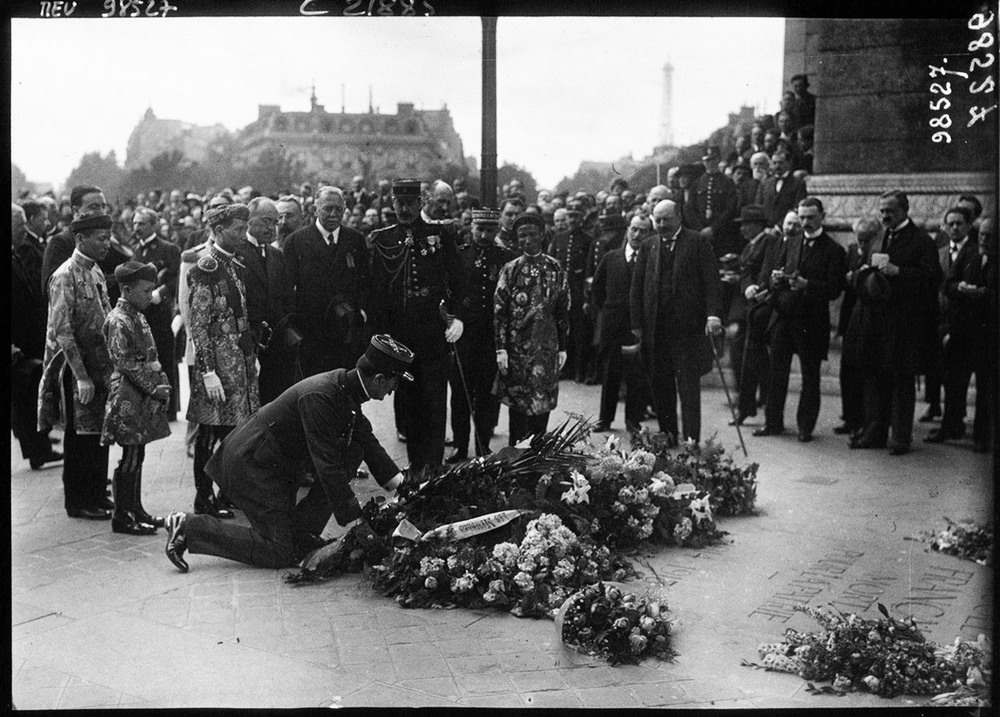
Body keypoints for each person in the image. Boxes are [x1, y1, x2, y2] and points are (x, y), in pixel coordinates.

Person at [164, 335, 411, 572]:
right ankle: (188, 527)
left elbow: (368, 443)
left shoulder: (344, 389)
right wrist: (357, 520)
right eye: (395, 382)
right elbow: (327, 465)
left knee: (353, 451)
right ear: (379, 379)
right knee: (277, 551)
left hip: (270, 464)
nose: (393, 390)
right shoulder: (323, 396)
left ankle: (301, 535)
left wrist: (404, 487)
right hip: (250, 464)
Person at [369, 178, 465, 471]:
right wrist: (381, 336)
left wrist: (457, 316)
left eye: (411, 203)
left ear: (421, 203)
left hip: (433, 336)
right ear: (392, 204)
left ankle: (433, 465)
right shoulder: (382, 239)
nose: (405, 209)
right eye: (399, 203)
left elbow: (458, 279)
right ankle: (414, 463)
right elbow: (376, 293)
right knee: (409, 399)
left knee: (435, 400)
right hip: (401, 339)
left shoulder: (440, 234)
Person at [844, 190, 940, 455]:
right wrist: (863, 272)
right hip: (875, 320)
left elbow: (933, 278)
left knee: (900, 381)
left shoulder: (921, 241)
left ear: (905, 209)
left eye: (891, 211)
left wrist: (901, 273)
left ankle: (900, 437)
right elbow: (865, 264)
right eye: (883, 211)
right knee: (873, 377)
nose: (885, 215)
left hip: (903, 324)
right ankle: (874, 433)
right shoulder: (879, 237)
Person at [37, 214, 115, 520]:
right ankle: (78, 500)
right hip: (75, 367)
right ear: (80, 239)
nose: (106, 244)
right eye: (100, 238)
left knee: (100, 431)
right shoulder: (64, 275)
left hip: (100, 365)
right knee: (79, 434)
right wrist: (81, 377)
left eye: (108, 238)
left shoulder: (95, 270)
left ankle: (97, 493)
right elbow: (63, 331)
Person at [186, 203, 260, 516]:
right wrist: (207, 372)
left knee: (234, 433)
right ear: (219, 231)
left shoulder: (232, 264)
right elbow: (199, 326)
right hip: (218, 364)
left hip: (239, 359)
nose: (244, 235)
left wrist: (250, 355)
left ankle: (227, 493)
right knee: (210, 431)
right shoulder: (206, 268)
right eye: (238, 229)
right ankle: (204, 498)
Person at [751, 201, 846, 441]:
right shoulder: (790, 242)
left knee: (810, 375)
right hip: (784, 316)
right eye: (802, 217)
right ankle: (773, 422)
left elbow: (835, 289)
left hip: (812, 320)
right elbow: (776, 273)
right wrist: (777, 278)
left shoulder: (833, 249)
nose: (805, 223)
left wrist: (808, 285)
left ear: (822, 216)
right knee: (777, 372)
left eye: (811, 217)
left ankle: (805, 427)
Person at [630, 200, 723, 445]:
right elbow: (637, 286)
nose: (661, 225)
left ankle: (692, 439)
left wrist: (712, 315)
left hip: (687, 331)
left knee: (688, 388)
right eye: (657, 220)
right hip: (656, 329)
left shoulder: (697, 242)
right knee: (661, 386)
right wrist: (637, 323)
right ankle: (668, 435)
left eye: (666, 219)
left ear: (679, 217)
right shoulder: (649, 245)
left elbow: (712, 282)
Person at [100, 261, 172, 535]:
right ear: (127, 290)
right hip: (128, 393)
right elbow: (125, 361)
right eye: (145, 290)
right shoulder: (119, 320)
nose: (149, 295)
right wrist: (154, 388)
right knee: (130, 455)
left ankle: (136, 509)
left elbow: (151, 355)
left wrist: (161, 381)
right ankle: (122, 516)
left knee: (138, 452)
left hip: (140, 392)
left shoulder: (137, 315)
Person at [494, 212, 570, 445]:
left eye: (532, 235)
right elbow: (499, 310)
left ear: (542, 236)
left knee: (542, 403)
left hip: (546, 348)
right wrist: (501, 349)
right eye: (522, 236)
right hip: (518, 350)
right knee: (518, 405)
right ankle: (516, 458)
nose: (527, 240)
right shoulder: (511, 269)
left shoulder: (555, 268)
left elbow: (563, 309)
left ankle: (537, 458)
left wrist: (563, 348)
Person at [447, 209, 515, 462]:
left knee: (487, 394)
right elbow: (450, 292)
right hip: (463, 336)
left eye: (490, 230)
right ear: (472, 228)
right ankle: (460, 446)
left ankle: (483, 444)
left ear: (497, 230)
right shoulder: (459, 256)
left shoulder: (506, 258)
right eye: (480, 229)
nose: (484, 235)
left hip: (491, 337)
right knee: (461, 393)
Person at [285, 186, 372, 378]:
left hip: (347, 333)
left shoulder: (355, 240)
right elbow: (287, 289)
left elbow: (365, 283)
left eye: (338, 209)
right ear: (315, 210)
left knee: (347, 388)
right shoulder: (296, 242)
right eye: (327, 208)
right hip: (312, 334)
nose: (333, 214)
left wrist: (362, 314)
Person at [925, 207, 985, 445]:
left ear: (969, 226)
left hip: (968, 326)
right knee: (950, 380)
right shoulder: (941, 252)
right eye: (950, 224)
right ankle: (951, 425)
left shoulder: (976, 252)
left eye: (959, 223)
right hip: (943, 322)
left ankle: (978, 432)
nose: (954, 228)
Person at [12, 203, 64, 470]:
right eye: (19, 224)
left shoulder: (18, 252)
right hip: (20, 338)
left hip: (29, 333)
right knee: (26, 395)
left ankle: (39, 446)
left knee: (34, 392)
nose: (22, 229)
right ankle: (36, 448)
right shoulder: (22, 251)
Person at [591, 214, 651, 433]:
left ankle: (632, 420)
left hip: (636, 326)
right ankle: (605, 419)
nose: (637, 235)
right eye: (634, 229)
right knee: (611, 373)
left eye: (643, 231)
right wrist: (608, 312)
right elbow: (597, 290)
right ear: (627, 230)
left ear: (648, 234)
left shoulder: (650, 260)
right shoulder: (611, 257)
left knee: (635, 375)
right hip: (613, 326)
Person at [236, 197, 297, 404]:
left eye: (275, 222)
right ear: (249, 222)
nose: (272, 227)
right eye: (266, 221)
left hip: (274, 343)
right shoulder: (236, 253)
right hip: (247, 340)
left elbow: (287, 297)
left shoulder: (276, 255)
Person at [727, 205, 778, 425]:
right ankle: (750, 402)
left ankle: (749, 404)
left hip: (759, 305)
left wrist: (753, 286)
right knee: (749, 356)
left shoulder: (768, 242)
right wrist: (745, 284)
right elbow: (746, 273)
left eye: (746, 224)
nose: (742, 228)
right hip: (749, 303)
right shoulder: (751, 245)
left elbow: (764, 271)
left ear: (757, 225)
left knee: (750, 356)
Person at [131, 207, 181, 421]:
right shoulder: (135, 250)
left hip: (159, 313)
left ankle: (168, 409)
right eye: (134, 223)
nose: (136, 228)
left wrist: (162, 292)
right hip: (140, 313)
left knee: (164, 359)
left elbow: (179, 277)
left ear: (153, 225)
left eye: (141, 223)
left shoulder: (168, 248)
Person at [834, 217, 882, 437]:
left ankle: (864, 419)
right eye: (859, 239)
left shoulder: (880, 252)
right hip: (851, 314)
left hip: (869, 317)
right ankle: (850, 417)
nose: (862, 243)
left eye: (866, 239)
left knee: (864, 369)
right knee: (847, 369)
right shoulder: (853, 251)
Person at [548, 204, 591, 382]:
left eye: (576, 216)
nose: (572, 220)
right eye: (570, 216)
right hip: (560, 291)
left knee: (579, 332)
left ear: (581, 218)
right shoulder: (558, 239)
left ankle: (579, 370)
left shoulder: (588, 240)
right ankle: (563, 369)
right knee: (561, 330)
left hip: (578, 291)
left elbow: (589, 268)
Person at [691, 146, 740, 258]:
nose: (710, 163)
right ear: (703, 162)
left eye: (713, 159)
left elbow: (730, 208)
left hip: (721, 233)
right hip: (700, 233)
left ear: (718, 160)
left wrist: (714, 228)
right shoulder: (697, 183)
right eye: (707, 160)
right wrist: (700, 229)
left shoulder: (727, 182)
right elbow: (690, 208)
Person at [756, 151, 807, 229]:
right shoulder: (765, 183)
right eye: (774, 163)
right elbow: (758, 206)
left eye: (780, 163)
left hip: (786, 228)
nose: (777, 166)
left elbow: (797, 208)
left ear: (788, 163)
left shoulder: (798, 183)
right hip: (765, 229)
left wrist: (778, 227)